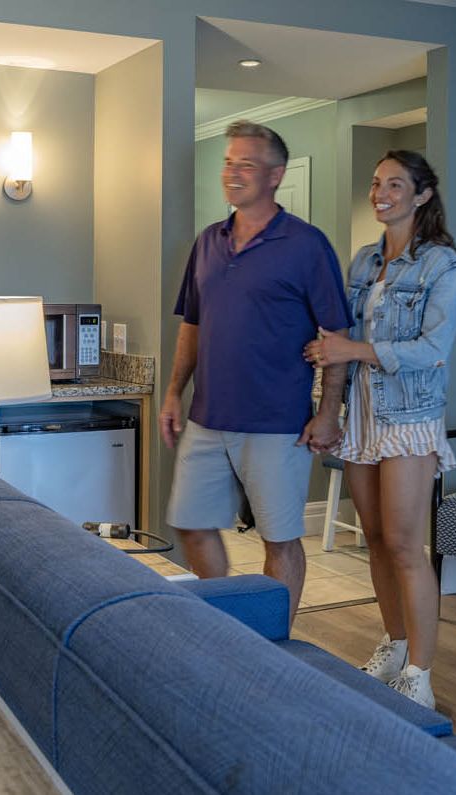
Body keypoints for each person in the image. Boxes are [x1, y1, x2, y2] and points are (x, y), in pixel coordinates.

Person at [161, 120, 353, 618]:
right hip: (207, 417)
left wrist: (328, 412)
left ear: (275, 175)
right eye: (228, 162)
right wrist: (172, 393)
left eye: (246, 163)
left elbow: (336, 336)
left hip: (276, 422)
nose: (233, 172)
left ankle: (278, 644)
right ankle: (227, 618)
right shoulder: (208, 241)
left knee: (280, 539)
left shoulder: (307, 245)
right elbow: (192, 324)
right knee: (190, 523)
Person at [302, 150, 456, 708]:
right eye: (376, 184)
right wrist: (329, 376)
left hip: (410, 418)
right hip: (361, 417)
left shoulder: (442, 265)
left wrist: (353, 348)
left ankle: (420, 671)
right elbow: (339, 338)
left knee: (403, 544)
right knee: (373, 540)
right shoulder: (363, 262)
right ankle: (394, 644)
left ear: (421, 195)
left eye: (395, 184)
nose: (381, 193)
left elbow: (433, 351)